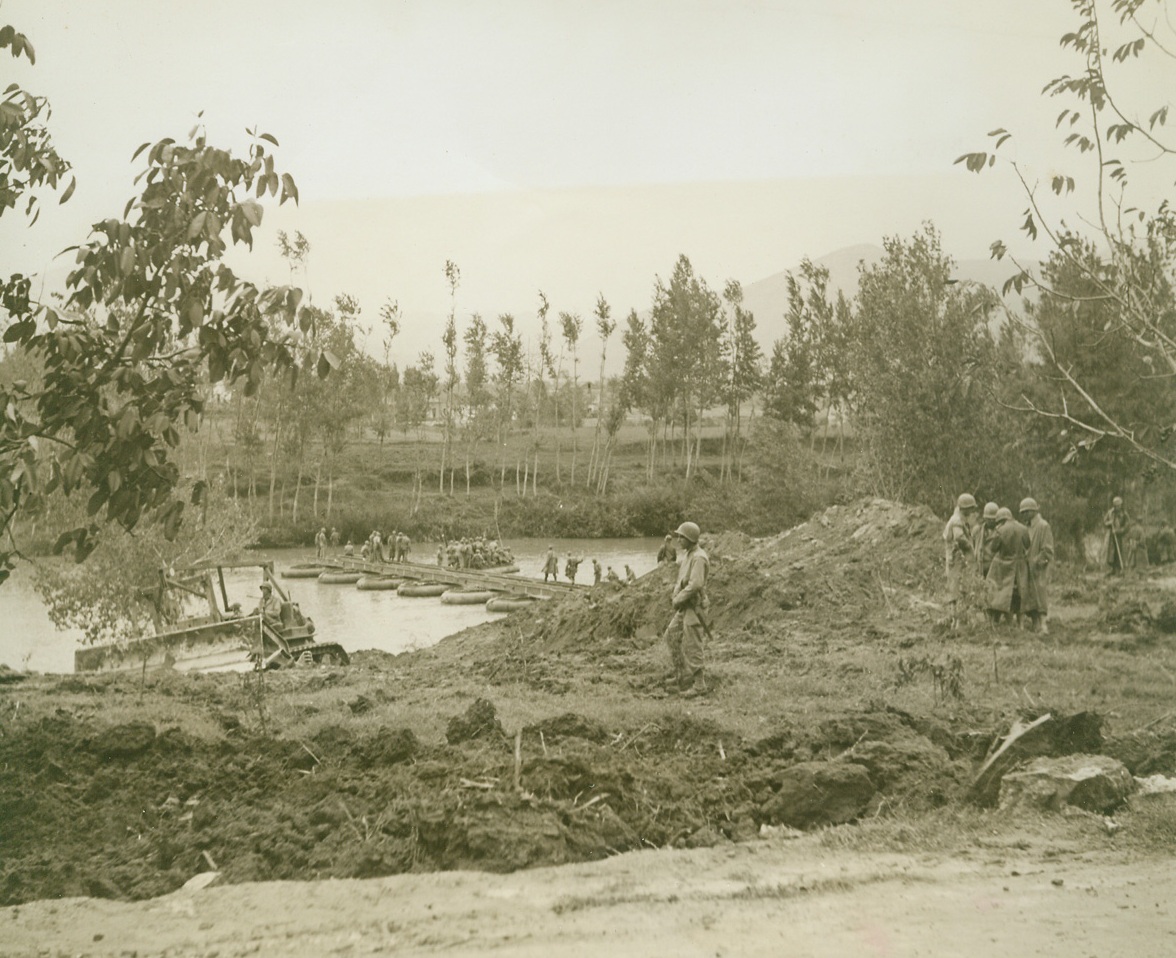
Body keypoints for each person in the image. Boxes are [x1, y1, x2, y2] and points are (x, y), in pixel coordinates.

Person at [663, 521, 710, 697]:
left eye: (681, 537)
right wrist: (676, 596)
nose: (678, 540)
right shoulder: (689, 555)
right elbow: (681, 580)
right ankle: (681, 674)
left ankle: (699, 685)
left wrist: (678, 599)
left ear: (690, 538)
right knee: (671, 636)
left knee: (693, 643)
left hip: (695, 607)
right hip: (685, 606)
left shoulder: (698, 557)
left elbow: (695, 584)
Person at [985, 507, 1029, 626]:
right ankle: (1021, 625)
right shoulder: (1023, 528)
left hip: (1004, 566)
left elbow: (994, 548)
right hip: (1020, 567)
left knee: (1000, 595)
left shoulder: (1000, 530)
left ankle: (1003, 622)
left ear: (1001, 520)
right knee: (1019, 595)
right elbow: (1028, 544)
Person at [943, 493, 979, 629]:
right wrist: (970, 547)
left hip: (955, 559)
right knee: (958, 590)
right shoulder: (957, 520)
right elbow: (959, 537)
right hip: (957, 560)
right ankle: (957, 623)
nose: (972, 512)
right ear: (965, 508)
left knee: (955, 590)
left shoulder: (958, 518)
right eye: (970, 508)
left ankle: (956, 622)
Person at [1020, 497, 1054, 634]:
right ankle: (1035, 624)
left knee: (1040, 594)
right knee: (1029, 596)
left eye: (1026, 512)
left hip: (1040, 568)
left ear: (1033, 511)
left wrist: (1037, 561)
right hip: (1027, 568)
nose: (1024, 515)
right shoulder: (1026, 527)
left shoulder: (1043, 526)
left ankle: (1043, 625)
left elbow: (1048, 549)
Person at [1103, 496, 1130, 575]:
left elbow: (1127, 525)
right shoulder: (1110, 513)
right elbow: (1105, 522)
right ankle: (1113, 569)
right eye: (1116, 505)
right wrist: (1109, 523)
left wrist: (1118, 531)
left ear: (1121, 505)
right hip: (1112, 536)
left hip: (1121, 536)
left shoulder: (1124, 514)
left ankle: (1121, 569)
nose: (1117, 507)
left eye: (1119, 505)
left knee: (1121, 552)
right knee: (1112, 552)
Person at [976, 502, 1000, 578]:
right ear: (984, 518)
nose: (991, 521)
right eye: (988, 519)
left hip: (995, 568)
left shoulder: (1000, 531)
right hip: (981, 566)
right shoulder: (978, 530)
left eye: (993, 519)